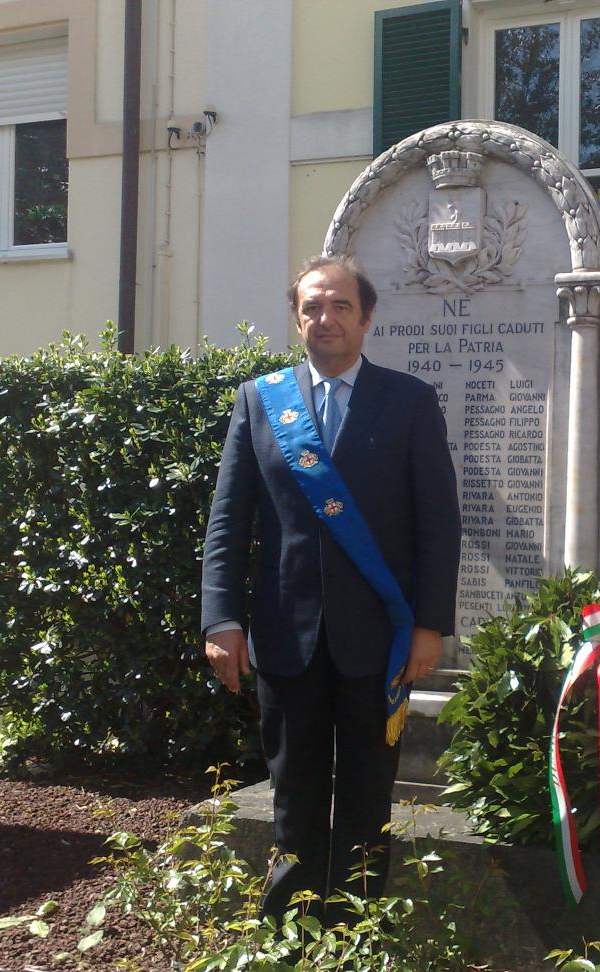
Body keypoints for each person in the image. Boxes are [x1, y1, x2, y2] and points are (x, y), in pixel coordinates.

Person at [200, 253, 461, 921]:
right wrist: (221, 619)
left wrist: (430, 626)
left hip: (380, 639)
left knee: (369, 798)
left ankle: (357, 935)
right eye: (313, 306)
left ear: (366, 317)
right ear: (297, 318)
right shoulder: (261, 401)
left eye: (341, 305)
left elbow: (438, 519)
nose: (326, 317)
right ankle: (290, 934)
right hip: (287, 637)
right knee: (294, 797)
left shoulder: (408, 401)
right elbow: (230, 519)